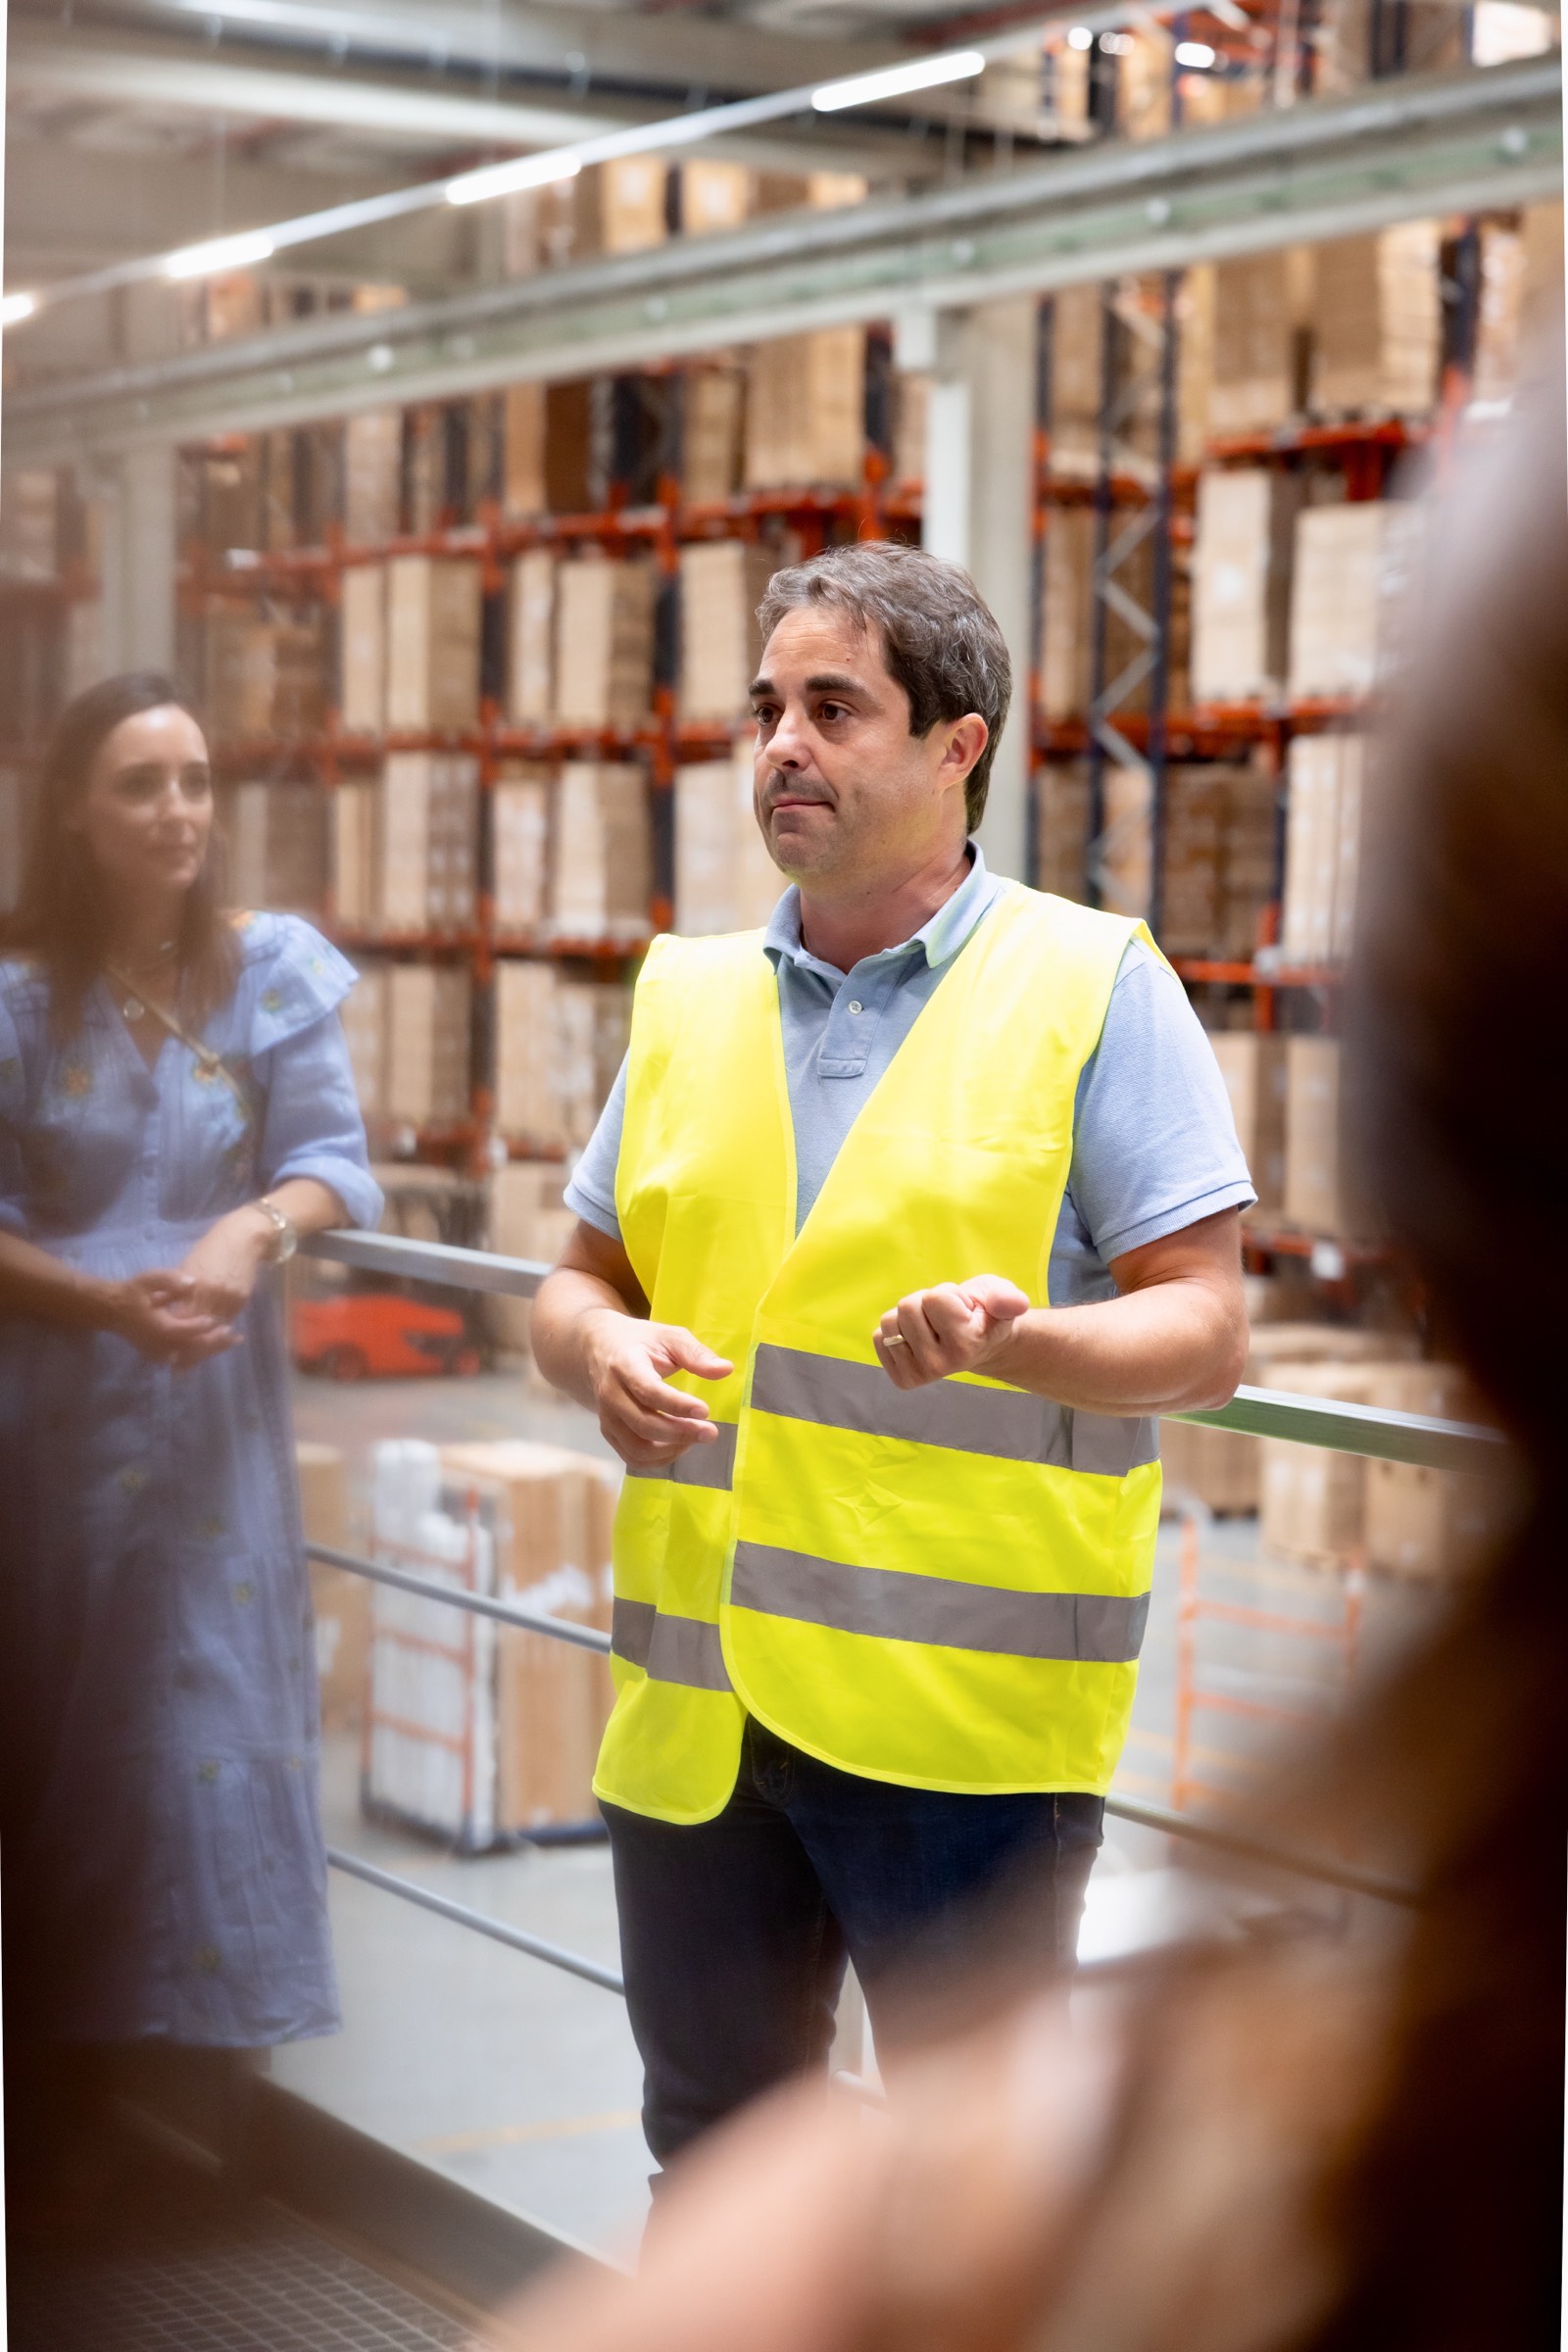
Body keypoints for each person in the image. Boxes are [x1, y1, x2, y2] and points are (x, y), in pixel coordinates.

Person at [532, 540, 1253, 2173]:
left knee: (973, 2195)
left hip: (958, 1748)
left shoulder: (1093, 989)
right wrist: (598, 1346)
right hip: (697, 1729)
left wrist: (1027, 1339)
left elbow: (1207, 1328)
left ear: (956, 747)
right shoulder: (687, 999)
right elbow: (571, 1284)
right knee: (715, 2157)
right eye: (767, 710)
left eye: (834, 708)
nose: (782, 745)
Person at [0, 674, 382, 2213]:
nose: (177, 812)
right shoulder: (20, 1000)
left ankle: (208, 2139)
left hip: (216, 1428)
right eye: (139, 784)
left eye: (195, 780)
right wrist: (101, 1302)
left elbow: (335, 1162)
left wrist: (247, 1231)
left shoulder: (268, 971)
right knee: (69, 1745)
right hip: (54, 1430)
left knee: (213, 1743)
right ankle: (61, 2127)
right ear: (74, 814)